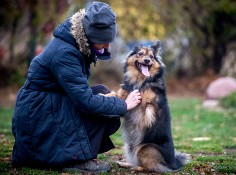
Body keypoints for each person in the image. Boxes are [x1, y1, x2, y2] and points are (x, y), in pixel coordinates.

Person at [11, 1, 141, 173]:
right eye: (103, 41)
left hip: (48, 107)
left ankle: (82, 155)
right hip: (38, 116)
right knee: (100, 107)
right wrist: (123, 105)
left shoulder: (78, 44)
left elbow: (82, 94)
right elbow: (84, 102)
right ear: (90, 36)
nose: (107, 46)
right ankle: (76, 160)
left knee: (102, 93)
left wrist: (114, 101)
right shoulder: (65, 53)